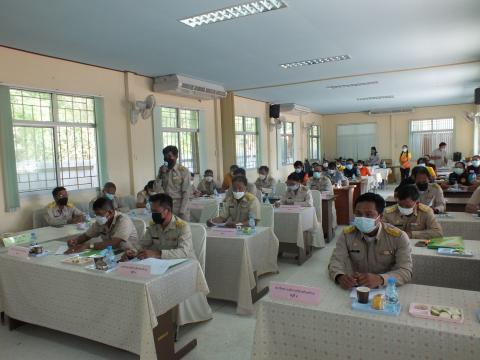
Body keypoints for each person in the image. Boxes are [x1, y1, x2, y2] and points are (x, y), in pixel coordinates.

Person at [328, 193, 413, 289]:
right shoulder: (347, 234)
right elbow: (336, 261)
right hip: (355, 288)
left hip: (386, 289)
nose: (363, 218)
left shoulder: (398, 237)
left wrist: (381, 279)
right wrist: (339, 276)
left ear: (380, 217)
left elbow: (406, 271)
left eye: (369, 214)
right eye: (358, 214)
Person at [123, 194, 195, 260]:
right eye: (152, 211)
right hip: (161, 263)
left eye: (155, 211)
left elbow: (183, 252)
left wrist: (157, 254)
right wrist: (133, 251)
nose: (153, 214)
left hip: (184, 263)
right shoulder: (154, 226)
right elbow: (143, 244)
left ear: (167, 211)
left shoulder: (182, 227)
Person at [66, 197, 138, 254]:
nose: (97, 217)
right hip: (111, 253)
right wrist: (76, 241)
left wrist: (88, 246)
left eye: (99, 214)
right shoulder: (100, 222)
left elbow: (114, 243)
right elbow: (86, 236)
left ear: (110, 212)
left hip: (129, 253)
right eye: (96, 214)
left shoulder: (123, 220)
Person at [154, 145, 191, 221]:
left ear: (176, 156)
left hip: (179, 206)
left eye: (169, 156)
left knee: (182, 230)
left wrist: (182, 211)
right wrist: (160, 175)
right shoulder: (162, 170)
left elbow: (186, 192)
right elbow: (156, 189)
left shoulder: (183, 171)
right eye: (165, 156)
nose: (167, 159)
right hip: (166, 207)